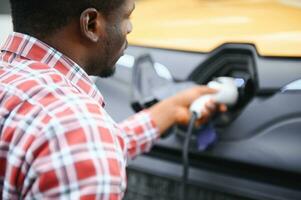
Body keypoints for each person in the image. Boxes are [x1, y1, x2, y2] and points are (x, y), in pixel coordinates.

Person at [0, 0, 225, 199]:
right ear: (90, 24)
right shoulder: (81, 133)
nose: (130, 28)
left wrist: (171, 110)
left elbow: (71, 145)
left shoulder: (13, 81)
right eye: (127, 16)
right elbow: (83, 143)